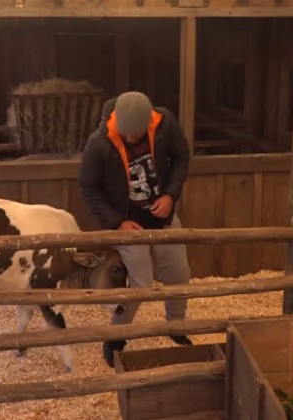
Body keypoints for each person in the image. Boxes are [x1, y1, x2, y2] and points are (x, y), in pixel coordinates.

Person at [78, 91, 193, 367]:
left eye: (136, 133)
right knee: (141, 284)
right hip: (128, 221)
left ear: (148, 122)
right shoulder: (99, 142)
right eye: (126, 133)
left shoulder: (165, 124)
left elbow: (181, 157)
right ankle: (116, 337)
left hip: (163, 216)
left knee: (179, 274)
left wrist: (170, 195)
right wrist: (116, 222)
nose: (131, 137)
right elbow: (88, 186)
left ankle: (176, 326)